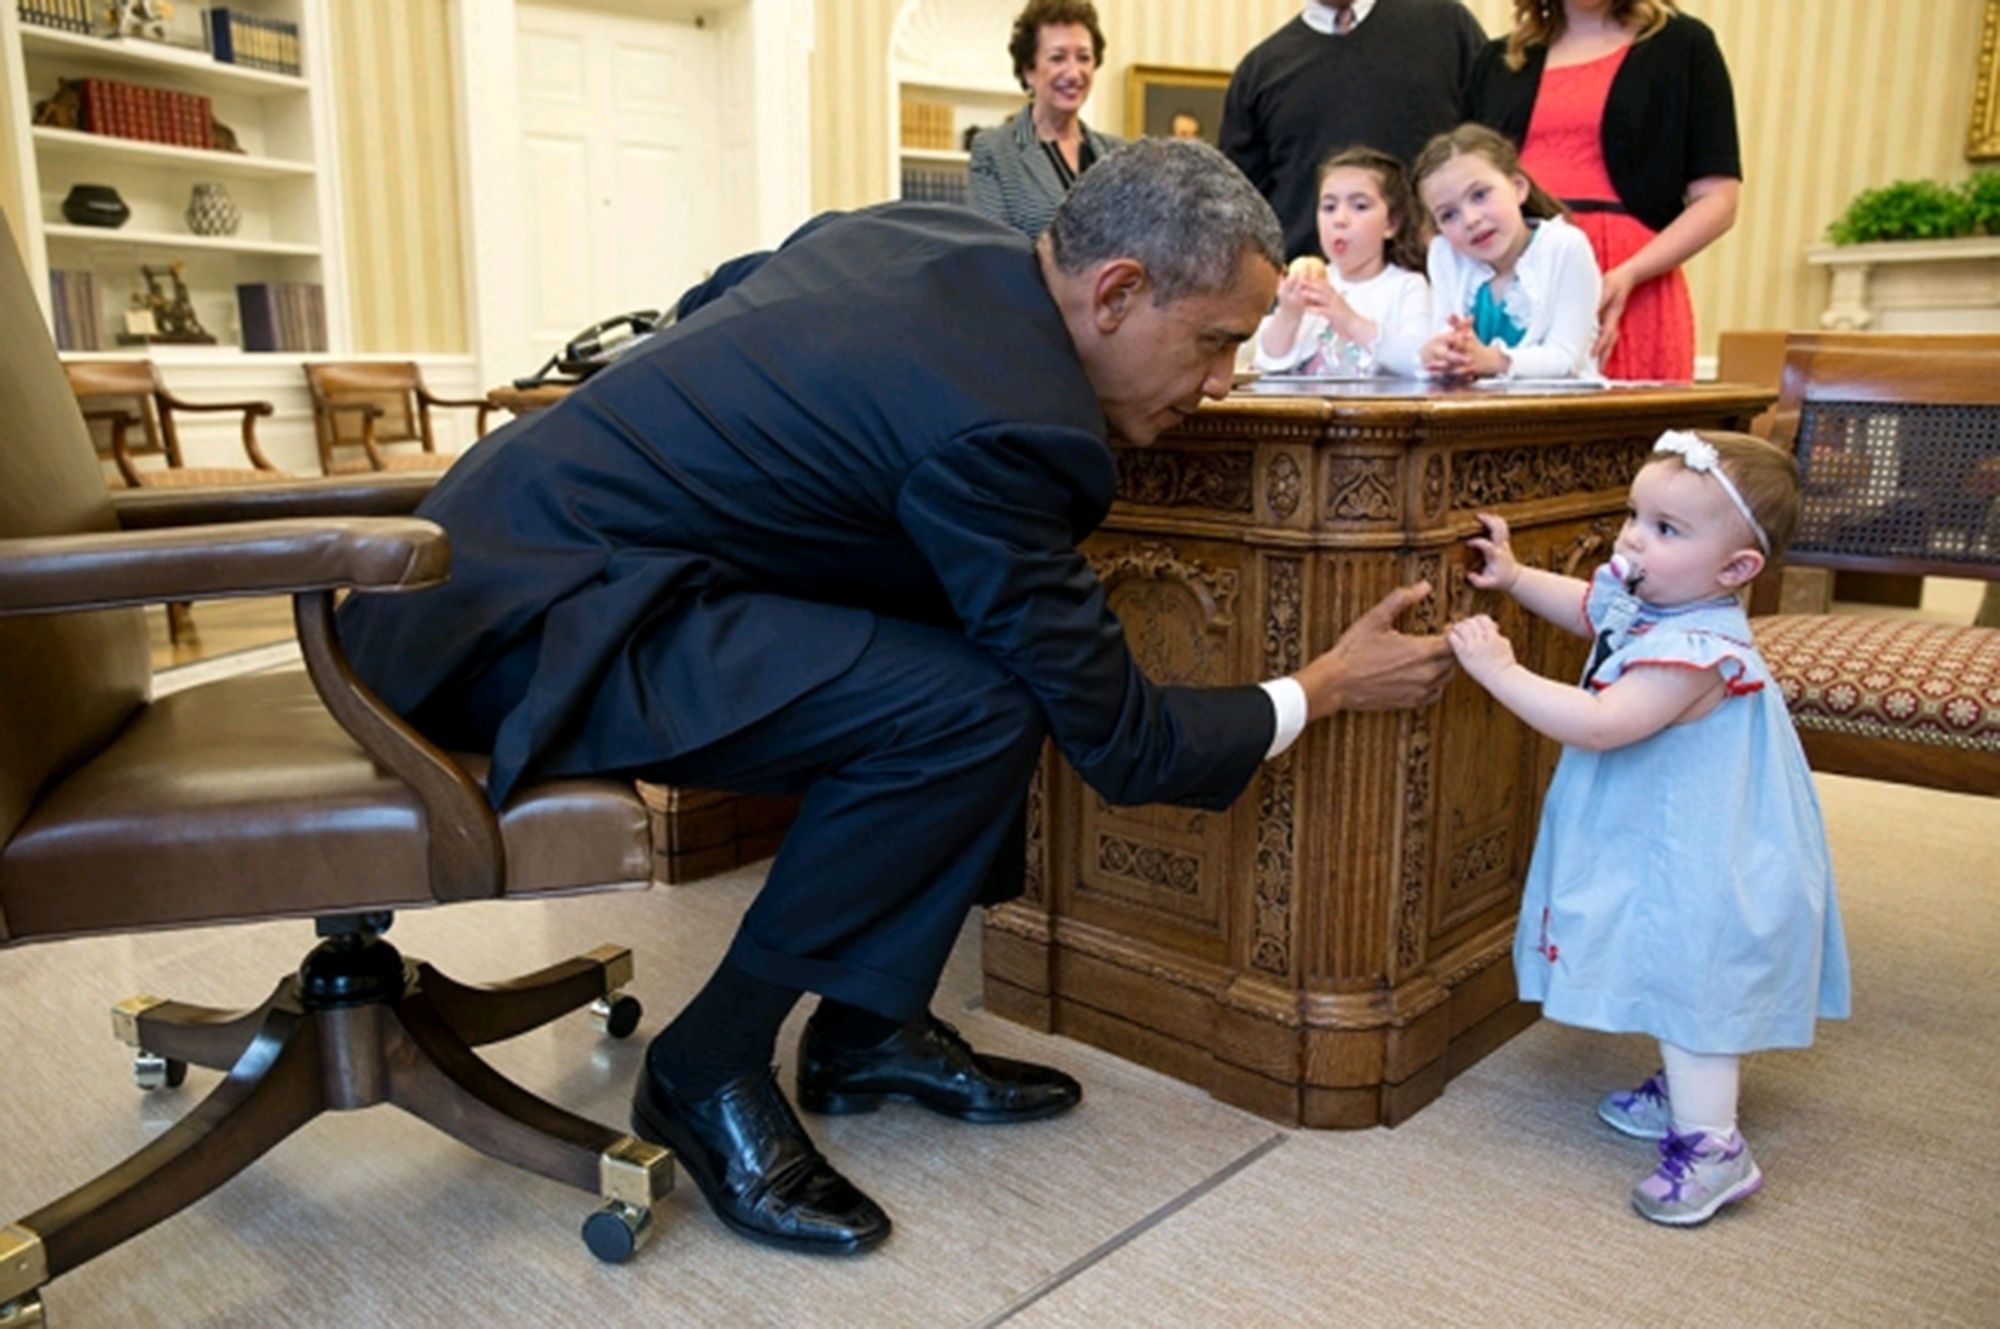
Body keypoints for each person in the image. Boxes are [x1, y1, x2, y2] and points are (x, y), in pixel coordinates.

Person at [336, 139, 1456, 1256]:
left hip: (481, 552)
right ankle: (704, 1067)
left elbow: (714, 297)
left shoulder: (926, 236)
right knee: (965, 711)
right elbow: (1124, 743)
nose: (1218, 384)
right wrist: (1324, 684)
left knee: (968, 663)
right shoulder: (1017, 426)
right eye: (1214, 342)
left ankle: (867, 1033)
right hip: (508, 627)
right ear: (1115, 292)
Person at [1446, 428, 1850, 1226]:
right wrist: (1518, 576)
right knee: (1667, 960)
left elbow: (1599, 722)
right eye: (1636, 514)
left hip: (1706, 848)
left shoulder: (1694, 650)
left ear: (1736, 571)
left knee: (1693, 978)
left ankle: (1714, 1146)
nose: (1634, 536)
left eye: (1666, 529)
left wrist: (1501, 670)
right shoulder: (1662, 599)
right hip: (1668, 834)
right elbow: (1594, 610)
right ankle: (1685, 1084)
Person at [1466, 0, 1740, 381]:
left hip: (1632, 279)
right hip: (1517, 275)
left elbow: (1719, 200)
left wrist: (1627, 275)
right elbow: (1461, 185)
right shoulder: (1497, 60)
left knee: (1633, 433)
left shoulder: (1683, 45)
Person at [1219, 0, 1487, 260]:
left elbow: (1494, 149)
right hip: (1312, 288)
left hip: (1444, 280)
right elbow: (1241, 214)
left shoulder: (1447, 27)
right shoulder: (1259, 72)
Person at [1413, 123, 1600, 380]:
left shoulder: (1566, 247)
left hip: (1557, 413)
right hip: (1473, 413)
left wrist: (1493, 360)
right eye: (1448, 215)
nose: (1470, 219)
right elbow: (1443, 334)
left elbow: (1566, 359)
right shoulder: (1445, 254)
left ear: (1518, 187)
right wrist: (1440, 353)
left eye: (1479, 195)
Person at [1252, 145, 1431, 379]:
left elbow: (1423, 362)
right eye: (1329, 207)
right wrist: (1289, 313)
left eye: (1359, 206)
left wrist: (1347, 319)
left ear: (1391, 223)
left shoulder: (1408, 286)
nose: (1340, 219)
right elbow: (1267, 363)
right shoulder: (1311, 283)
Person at [967, 0, 1122, 238]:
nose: (1073, 73)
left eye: (1083, 57)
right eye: (1057, 58)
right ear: (1029, 70)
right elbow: (991, 253)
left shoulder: (1119, 154)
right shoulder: (993, 151)